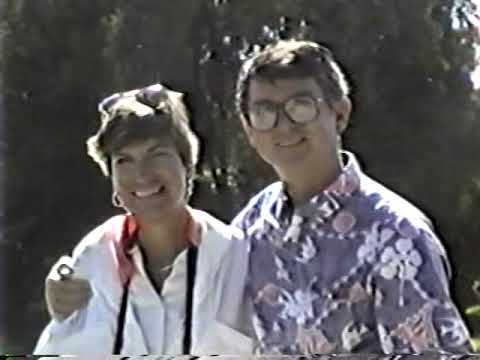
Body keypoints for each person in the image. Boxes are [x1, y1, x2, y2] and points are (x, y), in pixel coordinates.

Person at [231, 39, 472, 354]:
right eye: (264, 112)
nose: (283, 126)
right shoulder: (250, 227)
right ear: (249, 129)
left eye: (301, 106)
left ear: (340, 114)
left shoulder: (396, 236)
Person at [34, 83, 253, 356]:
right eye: (124, 160)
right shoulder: (94, 257)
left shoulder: (234, 254)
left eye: (157, 154)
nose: (142, 174)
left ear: (187, 166)